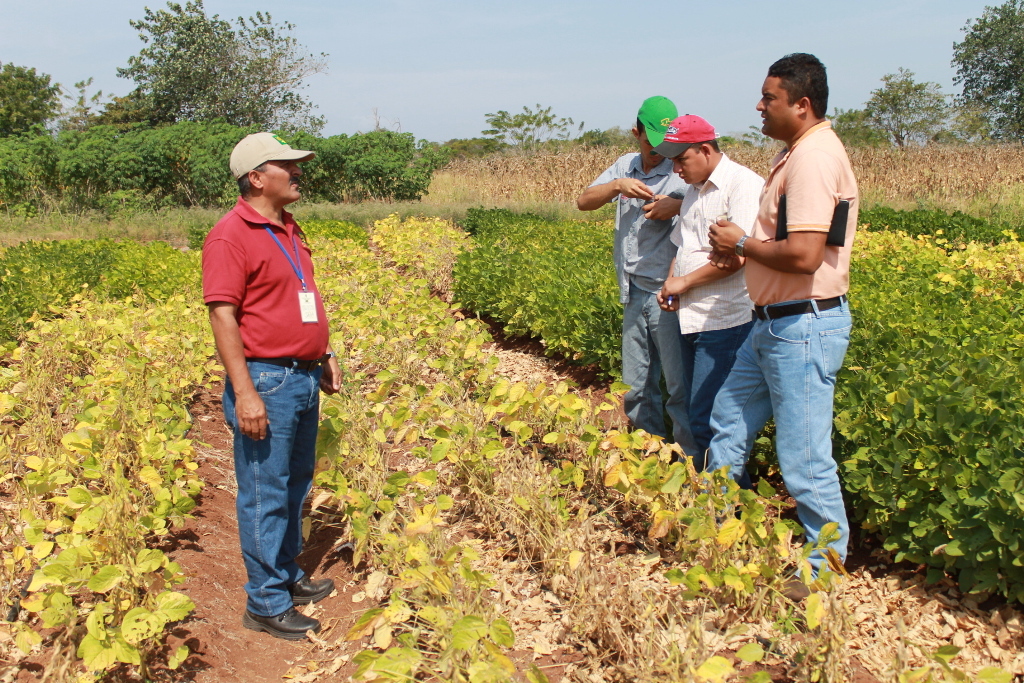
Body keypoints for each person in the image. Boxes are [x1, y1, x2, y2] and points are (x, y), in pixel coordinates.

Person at [705, 54, 858, 582]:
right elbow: (789, 246)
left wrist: (743, 242)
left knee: (804, 456)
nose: (759, 106)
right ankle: (714, 521)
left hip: (802, 326)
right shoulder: (796, 153)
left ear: (802, 104)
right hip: (774, 323)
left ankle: (825, 566)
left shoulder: (814, 159)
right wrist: (744, 253)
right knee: (728, 417)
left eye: (769, 98)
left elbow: (806, 256)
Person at [202, 132, 343, 640]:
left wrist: (322, 354)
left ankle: (285, 577)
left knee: (296, 484)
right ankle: (264, 602)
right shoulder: (229, 235)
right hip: (266, 379)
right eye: (288, 166)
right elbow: (223, 315)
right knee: (265, 493)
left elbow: (298, 297)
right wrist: (245, 392)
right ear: (257, 178)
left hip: (301, 375)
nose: (298, 173)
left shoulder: (288, 228)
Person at [576, 97, 696, 453]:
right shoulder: (623, 166)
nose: (657, 149)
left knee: (678, 388)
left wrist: (677, 205)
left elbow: (712, 212)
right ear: (636, 132)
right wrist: (617, 186)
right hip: (632, 291)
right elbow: (583, 201)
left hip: (668, 294)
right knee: (637, 386)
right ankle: (651, 457)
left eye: (665, 141)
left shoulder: (682, 169)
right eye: (650, 140)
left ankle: (690, 463)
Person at [652, 115, 764, 481]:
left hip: (725, 320)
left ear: (704, 150)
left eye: (681, 159)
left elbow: (738, 257)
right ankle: (711, 495)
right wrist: (671, 283)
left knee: (713, 417)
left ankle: (730, 504)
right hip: (689, 314)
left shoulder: (743, 185)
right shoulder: (695, 191)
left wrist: (683, 283)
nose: (675, 168)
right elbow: (683, 246)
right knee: (693, 410)